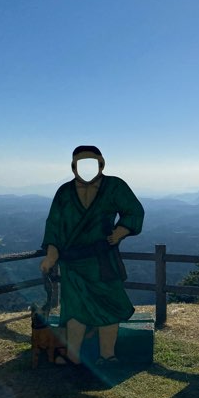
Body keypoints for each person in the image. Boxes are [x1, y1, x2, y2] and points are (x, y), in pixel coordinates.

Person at [40, 145, 144, 366]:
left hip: (102, 259)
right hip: (72, 262)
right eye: (81, 163)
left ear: (101, 164)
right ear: (73, 166)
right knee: (75, 310)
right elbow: (54, 226)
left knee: (109, 308)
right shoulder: (64, 192)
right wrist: (51, 255)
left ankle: (108, 355)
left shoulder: (115, 186)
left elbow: (134, 211)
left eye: (92, 162)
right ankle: (73, 355)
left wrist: (120, 231)